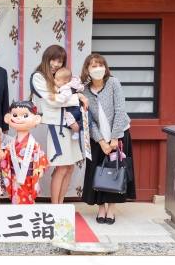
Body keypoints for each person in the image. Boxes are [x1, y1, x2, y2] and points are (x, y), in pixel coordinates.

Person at [80, 53, 135, 224]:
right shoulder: (85, 90)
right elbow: (88, 120)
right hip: (98, 139)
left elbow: (120, 110)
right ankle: (101, 209)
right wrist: (101, 141)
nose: (97, 68)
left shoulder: (113, 83)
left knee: (115, 171)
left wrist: (114, 139)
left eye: (100, 65)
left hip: (118, 135)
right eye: (93, 66)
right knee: (98, 172)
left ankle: (111, 209)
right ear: (87, 70)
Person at [30, 45, 89, 203]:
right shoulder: (39, 77)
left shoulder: (63, 78)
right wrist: (80, 98)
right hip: (58, 127)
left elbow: (66, 95)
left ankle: (61, 205)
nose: (56, 64)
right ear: (46, 58)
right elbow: (54, 103)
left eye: (60, 61)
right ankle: (55, 207)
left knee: (69, 167)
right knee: (61, 167)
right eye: (53, 60)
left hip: (70, 125)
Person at [0, 101, 50, 204]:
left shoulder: (34, 144)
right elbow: (4, 158)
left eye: (25, 115)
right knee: (16, 197)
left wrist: (41, 169)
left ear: (36, 119)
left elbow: (41, 158)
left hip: (29, 176)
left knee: (28, 196)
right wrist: (1, 153)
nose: (19, 118)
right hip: (14, 176)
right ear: (8, 118)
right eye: (14, 115)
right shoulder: (10, 144)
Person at [53, 66, 87, 142]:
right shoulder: (72, 84)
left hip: (72, 110)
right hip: (77, 108)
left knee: (70, 121)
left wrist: (55, 97)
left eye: (57, 80)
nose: (54, 81)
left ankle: (78, 131)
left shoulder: (65, 88)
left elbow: (64, 98)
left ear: (65, 82)